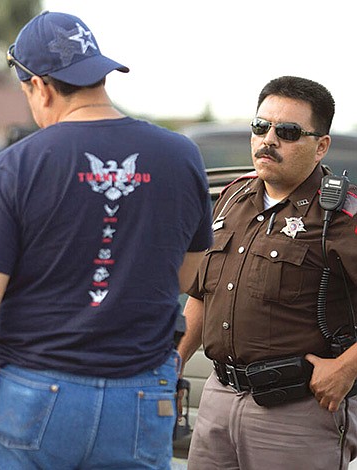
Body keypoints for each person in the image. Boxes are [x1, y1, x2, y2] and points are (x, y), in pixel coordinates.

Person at [0, 11, 214, 470]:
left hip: (34, 397)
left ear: (41, 85)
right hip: (140, 393)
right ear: (98, 72)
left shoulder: (19, 165)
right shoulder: (180, 155)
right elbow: (185, 273)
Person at [178, 76, 357, 470]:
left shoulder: (340, 216)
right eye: (261, 127)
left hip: (297, 411)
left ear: (320, 146)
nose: (269, 139)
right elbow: (202, 294)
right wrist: (175, 359)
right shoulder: (233, 197)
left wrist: (346, 367)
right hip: (217, 398)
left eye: (288, 131)